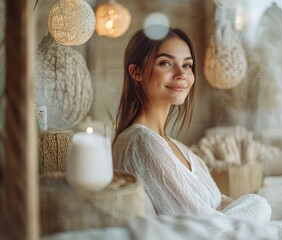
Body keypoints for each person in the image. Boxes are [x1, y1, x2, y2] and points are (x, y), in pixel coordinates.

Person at [112, 25, 271, 226]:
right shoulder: (139, 142)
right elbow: (202, 224)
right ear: (136, 72)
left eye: (187, 65)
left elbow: (221, 204)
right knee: (259, 203)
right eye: (166, 63)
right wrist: (257, 206)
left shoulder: (181, 149)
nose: (181, 74)